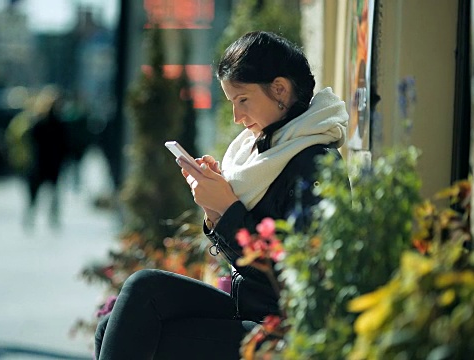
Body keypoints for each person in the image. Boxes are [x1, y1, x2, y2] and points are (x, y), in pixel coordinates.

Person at [94, 31, 349, 359]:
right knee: (134, 301)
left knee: (143, 326)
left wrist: (227, 208)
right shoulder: (264, 152)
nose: (237, 117)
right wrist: (216, 208)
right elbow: (248, 258)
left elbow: (295, 277)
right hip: (248, 308)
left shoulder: (315, 161)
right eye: (231, 103)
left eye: (243, 100)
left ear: (281, 89)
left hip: (282, 328)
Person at [23, 86, 68, 228]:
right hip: (47, 162)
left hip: (43, 162)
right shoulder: (56, 123)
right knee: (49, 192)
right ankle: (49, 218)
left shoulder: (42, 122)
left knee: (41, 193)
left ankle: (39, 217)